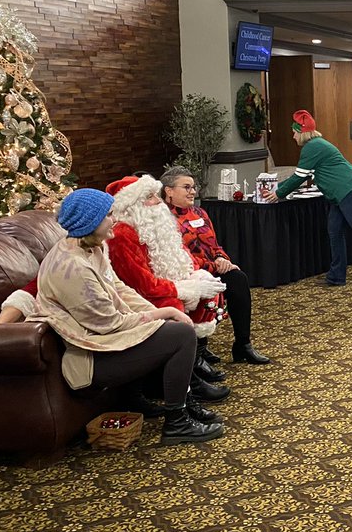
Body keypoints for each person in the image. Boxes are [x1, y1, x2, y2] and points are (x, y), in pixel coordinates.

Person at [29, 188, 224, 445]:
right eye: (109, 215)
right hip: (90, 359)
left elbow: (120, 289)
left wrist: (156, 314)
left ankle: (147, 401)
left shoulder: (90, 248)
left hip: (105, 344)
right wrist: (162, 313)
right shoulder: (72, 267)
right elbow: (109, 324)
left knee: (169, 324)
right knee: (182, 335)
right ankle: (178, 422)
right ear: (90, 222)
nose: (114, 219)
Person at [104, 175, 230, 403]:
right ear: (133, 205)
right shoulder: (123, 235)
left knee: (209, 288)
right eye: (150, 197)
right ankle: (187, 382)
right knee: (174, 306)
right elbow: (142, 285)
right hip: (138, 296)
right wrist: (187, 288)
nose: (159, 202)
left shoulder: (156, 226)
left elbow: (182, 257)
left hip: (163, 284)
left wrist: (196, 276)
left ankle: (194, 365)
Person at [265, 110, 352, 293]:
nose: (293, 136)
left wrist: (278, 193)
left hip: (349, 190)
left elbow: (298, 177)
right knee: (334, 231)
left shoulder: (312, 147)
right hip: (341, 193)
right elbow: (303, 175)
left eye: (294, 132)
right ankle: (336, 276)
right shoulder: (317, 145)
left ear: (302, 132)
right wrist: (277, 188)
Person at [161, 165, 271, 365]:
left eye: (193, 187)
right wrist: (213, 266)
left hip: (211, 267)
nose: (193, 191)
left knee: (238, 279)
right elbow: (179, 257)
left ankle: (243, 345)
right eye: (186, 187)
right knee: (204, 285)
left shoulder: (199, 212)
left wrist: (222, 258)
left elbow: (214, 244)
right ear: (169, 191)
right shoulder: (163, 219)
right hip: (185, 273)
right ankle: (198, 349)